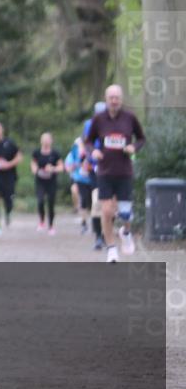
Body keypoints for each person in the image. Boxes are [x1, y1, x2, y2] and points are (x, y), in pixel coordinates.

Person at [85, 85, 146, 263]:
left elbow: (141, 138)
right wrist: (92, 152)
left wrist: (133, 147)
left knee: (126, 213)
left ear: (121, 99)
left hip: (124, 171)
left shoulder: (130, 118)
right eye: (111, 97)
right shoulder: (99, 119)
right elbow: (88, 141)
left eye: (117, 97)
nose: (114, 101)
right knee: (106, 211)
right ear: (106, 99)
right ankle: (111, 249)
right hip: (105, 171)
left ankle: (125, 232)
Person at [81, 101, 107, 250]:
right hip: (95, 168)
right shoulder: (89, 125)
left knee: (109, 205)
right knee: (97, 202)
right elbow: (87, 144)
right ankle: (98, 236)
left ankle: (105, 234)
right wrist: (89, 158)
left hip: (111, 168)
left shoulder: (114, 124)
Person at [30, 133, 63, 234]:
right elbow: (33, 164)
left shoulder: (55, 153)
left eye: (48, 139)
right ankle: (41, 221)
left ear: (51, 141)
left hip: (51, 182)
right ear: (41, 141)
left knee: (51, 203)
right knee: (40, 201)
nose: (46, 141)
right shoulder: (36, 153)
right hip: (40, 181)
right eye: (44, 139)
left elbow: (61, 167)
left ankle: (51, 226)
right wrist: (35, 170)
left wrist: (52, 168)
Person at [64, 135, 95, 235]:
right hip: (80, 179)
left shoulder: (93, 151)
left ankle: (96, 223)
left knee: (95, 202)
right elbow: (68, 168)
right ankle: (84, 223)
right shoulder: (73, 153)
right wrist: (76, 166)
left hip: (93, 179)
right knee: (84, 200)